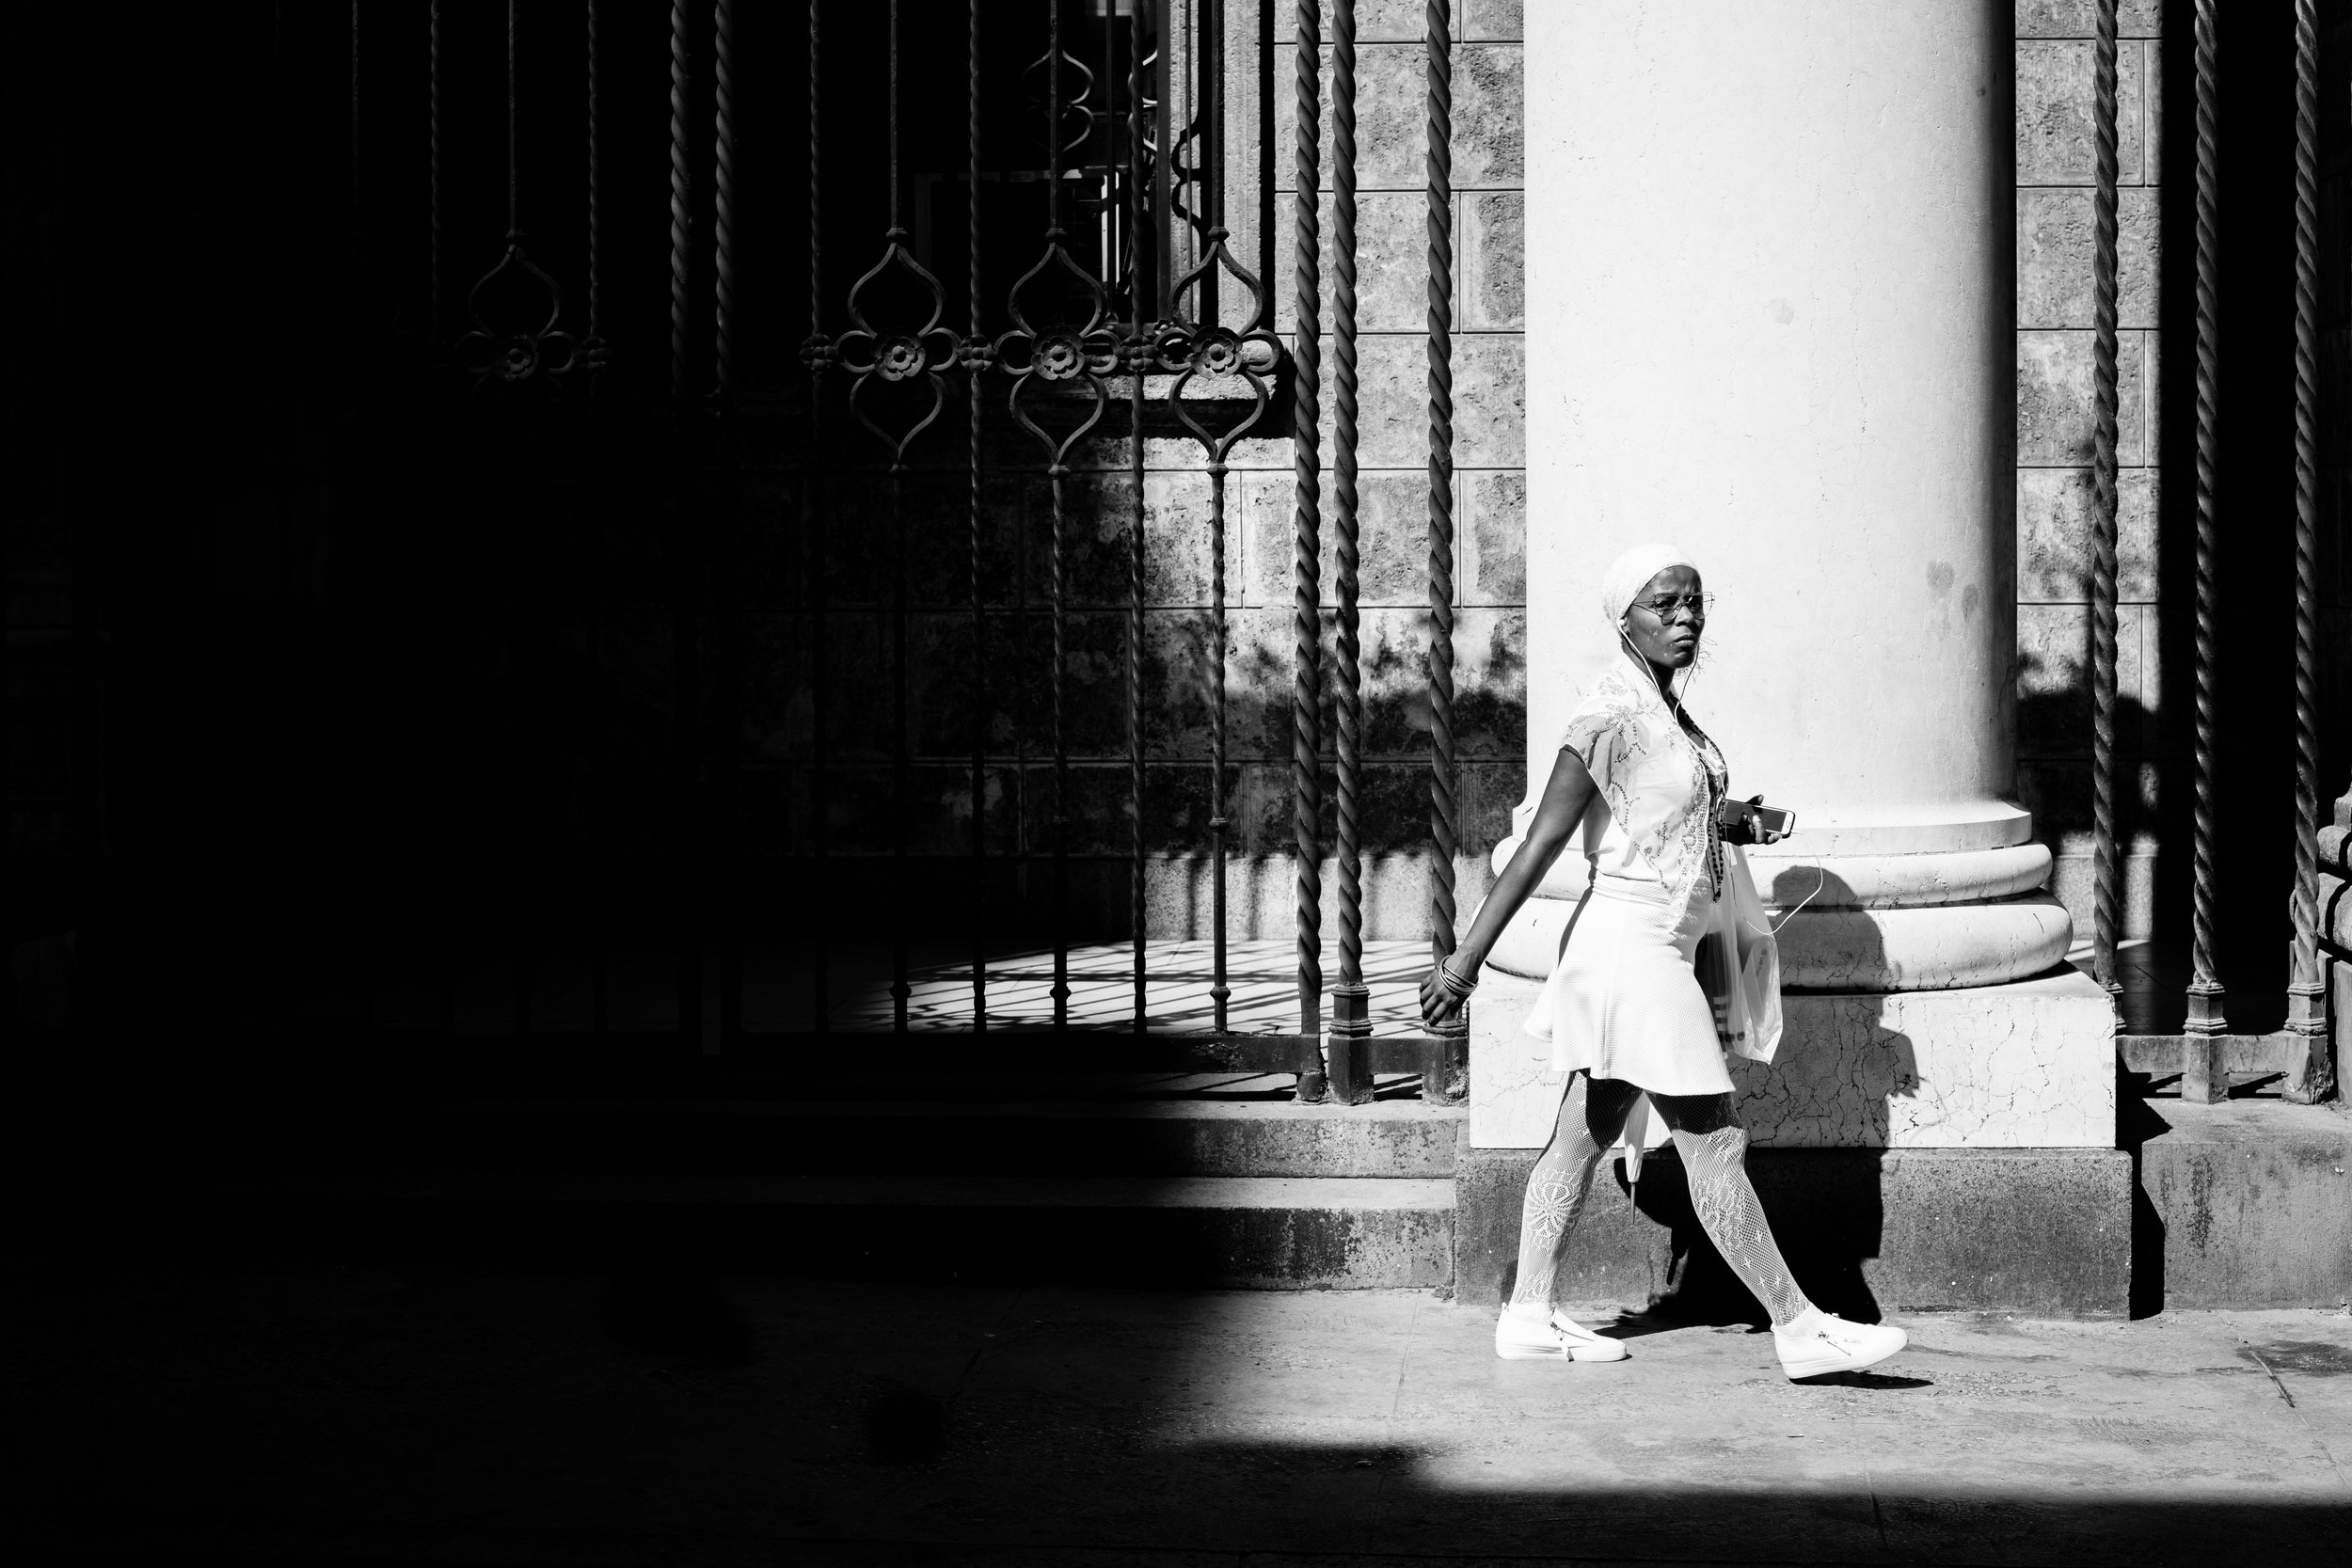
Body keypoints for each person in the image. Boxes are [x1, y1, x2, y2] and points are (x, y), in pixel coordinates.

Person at [1419, 542, 1907, 1382]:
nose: (1686, 618)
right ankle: (1799, 1327)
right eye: (1664, 605)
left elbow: (1659, 816)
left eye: (1694, 604)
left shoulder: (1663, 710)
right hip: (1629, 951)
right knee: (1714, 1142)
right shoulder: (1608, 714)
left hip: (1658, 949)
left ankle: (1530, 1311)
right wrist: (1464, 964)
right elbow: (1541, 843)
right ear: (1624, 619)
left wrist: (1737, 821)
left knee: (1580, 1137)